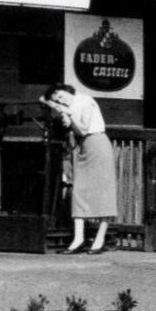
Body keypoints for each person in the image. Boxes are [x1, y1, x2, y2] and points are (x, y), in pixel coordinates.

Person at [39, 83, 115, 253]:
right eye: (57, 99)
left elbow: (82, 129)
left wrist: (66, 113)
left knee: (103, 191)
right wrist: (58, 107)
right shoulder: (70, 106)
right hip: (82, 147)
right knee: (78, 191)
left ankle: (99, 239)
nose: (61, 100)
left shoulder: (85, 101)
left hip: (97, 143)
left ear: (67, 90)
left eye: (60, 96)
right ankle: (78, 239)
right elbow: (43, 99)